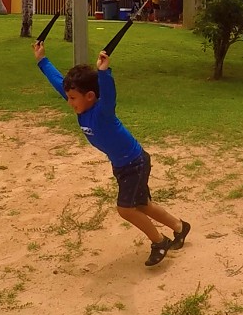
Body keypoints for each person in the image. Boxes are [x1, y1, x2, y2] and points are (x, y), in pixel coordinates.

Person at [33, 42, 191, 266]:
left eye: (72, 98)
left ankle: (159, 242)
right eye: (68, 97)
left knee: (125, 209)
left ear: (90, 96)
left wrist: (104, 72)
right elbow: (58, 81)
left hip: (135, 163)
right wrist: (42, 60)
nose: (68, 102)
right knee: (142, 205)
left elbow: (109, 96)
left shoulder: (102, 112)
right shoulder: (82, 105)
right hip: (123, 164)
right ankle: (180, 227)